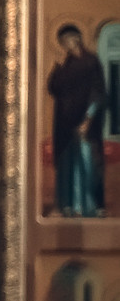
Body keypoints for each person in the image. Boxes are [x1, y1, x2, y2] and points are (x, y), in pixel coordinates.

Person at [49, 23, 107, 217]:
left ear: (78, 39)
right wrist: (56, 69)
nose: (66, 45)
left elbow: (98, 92)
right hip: (65, 124)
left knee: (87, 163)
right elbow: (55, 90)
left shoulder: (92, 62)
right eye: (63, 42)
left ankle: (89, 206)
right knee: (67, 164)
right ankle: (69, 206)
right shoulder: (65, 65)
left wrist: (88, 119)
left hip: (85, 123)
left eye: (68, 40)